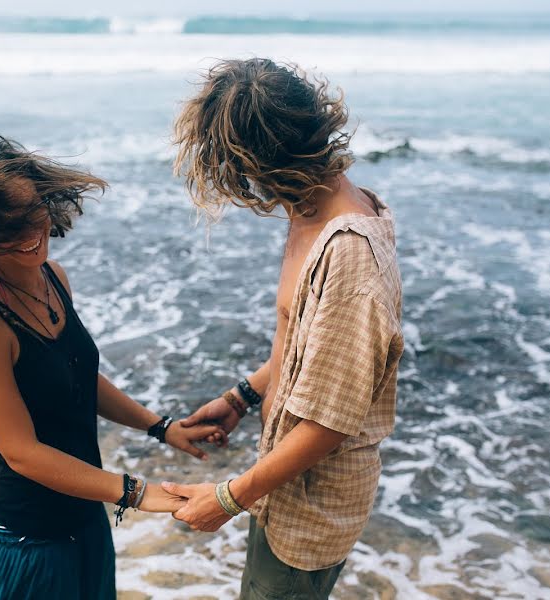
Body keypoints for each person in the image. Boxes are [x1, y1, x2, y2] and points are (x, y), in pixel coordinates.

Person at [0, 136, 222, 599]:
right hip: (24, 538)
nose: (31, 233)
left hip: (83, 519)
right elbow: (21, 452)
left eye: (34, 212)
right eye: (8, 227)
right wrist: (135, 492)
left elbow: (75, 378)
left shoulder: (54, 278)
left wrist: (161, 427)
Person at [163, 59, 405, 599]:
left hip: (310, 502)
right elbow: (306, 345)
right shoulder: (313, 203)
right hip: (282, 481)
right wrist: (244, 395)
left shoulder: (348, 254)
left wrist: (227, 498)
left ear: (259, 160)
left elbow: (330, 423)